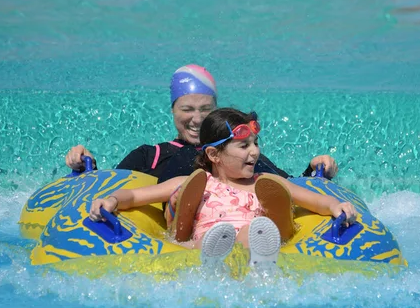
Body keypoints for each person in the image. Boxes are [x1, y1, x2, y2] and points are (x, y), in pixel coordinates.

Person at [89, 108, 357, 269]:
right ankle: (216, 263)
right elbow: (136, 195)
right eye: (244, 146)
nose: (254, 152)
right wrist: (111, 201)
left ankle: (262, 262)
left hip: (252, 241)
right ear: (214, 155)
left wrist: (335, 206)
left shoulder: (265, 183)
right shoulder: (195, 184)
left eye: (255, 143)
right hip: (202, 246)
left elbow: (313, 200)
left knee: (249, 233)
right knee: (215, 238)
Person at [65, 64, 339, 181]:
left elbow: (286, 186)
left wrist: (313, 169)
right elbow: (112, 187)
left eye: (206, 109)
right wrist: (87, 165)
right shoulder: (151, 156)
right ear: (173, 110)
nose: (197, 119)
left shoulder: (239, 153)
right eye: (187, 109)